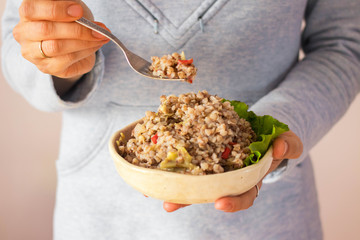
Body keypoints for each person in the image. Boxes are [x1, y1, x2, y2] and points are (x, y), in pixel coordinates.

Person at [2, 0, 359, 239]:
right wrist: (53, 61)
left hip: (269, 217)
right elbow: (13, 37)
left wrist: (275, 126)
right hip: (102, 216)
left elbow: (344, 42)